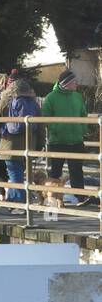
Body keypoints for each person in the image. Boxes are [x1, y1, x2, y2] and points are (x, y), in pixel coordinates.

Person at [40, 68, 93, 207]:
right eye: (74, 82)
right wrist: (56, 129)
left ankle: (80, 198)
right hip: (58, 140)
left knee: (76, 170)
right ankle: (50, 201)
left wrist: (83, 129)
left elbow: (83, 114)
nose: (76, 84)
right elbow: (45, 117)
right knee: (55, 172)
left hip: (76, 139)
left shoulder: (77, 96)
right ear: (66, 83)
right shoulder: (51, 97)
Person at [0, 77, 41, 203]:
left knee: (15, 174)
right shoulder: (34, 103)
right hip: (29, 145)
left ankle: (19, 203)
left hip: (9, 145)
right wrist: (39, 145)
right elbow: (41, 126)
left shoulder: (5, 101)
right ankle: (16, 200)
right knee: (19, 174)